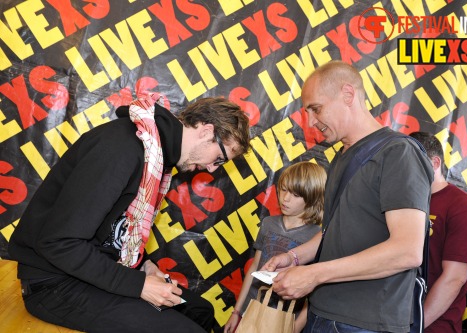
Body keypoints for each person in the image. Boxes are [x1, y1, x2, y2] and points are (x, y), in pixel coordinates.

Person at [8, 94, 251, 333]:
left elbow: (114, 228)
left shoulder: (156, 156)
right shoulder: (122, 147)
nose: (211, 169)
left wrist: (144, 265)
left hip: (91, 271)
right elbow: (58, 243)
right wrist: (139, 285)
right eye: (218, 159)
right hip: (54, 283)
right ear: (207, 130)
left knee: (200, 310)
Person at [261, 60, 434, 333]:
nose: (311, 122)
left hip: (364, 323)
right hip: (325, 312)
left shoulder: (398, 153)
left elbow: (407, 251)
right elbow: (334, 231)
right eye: (307, 112)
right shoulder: (343, 156)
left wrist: (314, 274)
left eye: (316, 109)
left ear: (348, 95)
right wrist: (295, 257)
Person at [224, 161, 327, 333]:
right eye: (284, 189)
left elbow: (312, 296)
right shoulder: (268, 223)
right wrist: (236, 311)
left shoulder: (316, 237)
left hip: (283, 320)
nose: (285, 198)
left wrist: (294, 328)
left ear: (312, 197)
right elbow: (254, 269)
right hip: (251, 310)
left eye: (295, 194)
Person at [409, 131, 467, 332]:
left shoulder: (462, 207)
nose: (404, 170)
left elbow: (454, 278)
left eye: (411, 164)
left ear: (434, 163)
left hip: (434, 326)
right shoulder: (402, 201)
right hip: (391, 318)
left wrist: (415, 326)